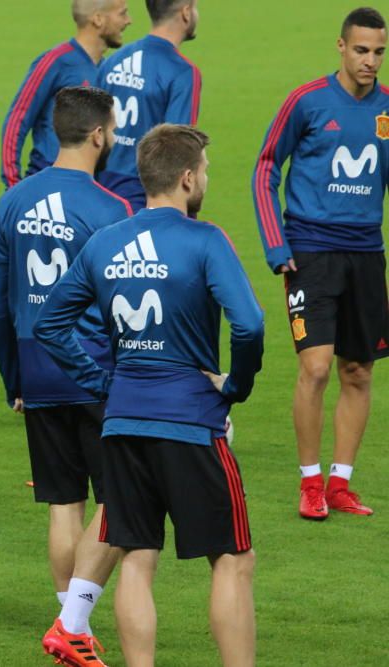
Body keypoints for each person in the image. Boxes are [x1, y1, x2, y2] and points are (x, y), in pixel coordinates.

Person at [34, 124, 264, 667]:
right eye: (204, 170)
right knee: (233, 559)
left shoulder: (105, 242)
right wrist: (235, 387)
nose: (205, 178)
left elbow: (50, 326)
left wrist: (104, 385)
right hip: (189, 421)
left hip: (123, 423)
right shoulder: (204, 239)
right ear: (187, 178)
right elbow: (249, 326)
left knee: (137, 556)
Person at [0, 86, 131, 666]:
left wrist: (12, 376)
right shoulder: (111, 208)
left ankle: (68, 622)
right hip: (94, 366)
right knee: (120, 497)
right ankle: (74, 623)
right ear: (98, 135)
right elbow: (123, 304)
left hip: (35, 366)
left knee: (63, 502)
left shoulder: (12, 201)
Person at [251, 6, 388, 521]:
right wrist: (275, 242)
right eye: (360, 50)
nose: (370, 61)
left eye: (378, 52)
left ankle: (340, 484)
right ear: (340, 46)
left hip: (367, 255)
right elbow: (266, 166)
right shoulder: (307, 102)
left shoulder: (388, 111)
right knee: (316, 367)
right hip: (310, 251)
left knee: (359, 370)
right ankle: (310, 483)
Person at [0, 0, 132, 189]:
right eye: (122, 13)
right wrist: (12, 183)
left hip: (87, 187)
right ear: (98, 19)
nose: (128, 21)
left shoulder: (110, 71)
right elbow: (18, 119)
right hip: (46, 181)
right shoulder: (56, 62)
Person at [96, 0, 201, 211]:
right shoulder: (183, 72)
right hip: (141, 200)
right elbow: (177, 149)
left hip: (98, 195)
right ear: (186, 12)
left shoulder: (112, 61)